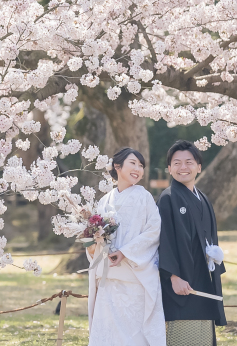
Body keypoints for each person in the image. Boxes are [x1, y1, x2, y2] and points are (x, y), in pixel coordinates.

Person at [87, 147, 166, 346]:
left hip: (134, 277)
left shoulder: (144, 196)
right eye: (133, 163)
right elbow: (94, 236)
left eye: (141, 166)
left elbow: (154, 230)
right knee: (109, 332)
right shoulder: (104, 200)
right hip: (109, 278)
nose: (138, 169)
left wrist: (125, 252)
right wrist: (92, 247)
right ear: (117, 166)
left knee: (134, 334)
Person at [157, 140, 226, 346]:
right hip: (181, 281)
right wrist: (173, 276)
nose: (183, 168)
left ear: (199, 167)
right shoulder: (168, 198)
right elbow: (164, 239)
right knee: (182, 332)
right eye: (176, 163)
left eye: (189, 162)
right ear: (169, 169)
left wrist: (216, 255)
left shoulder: (203, 198)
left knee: (203, 331)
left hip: (203, 276)